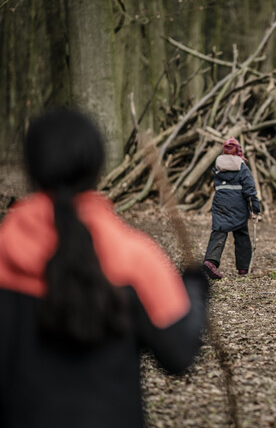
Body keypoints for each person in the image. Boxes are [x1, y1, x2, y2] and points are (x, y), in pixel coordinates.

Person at [0, 107, 208, 427]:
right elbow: (179, 354)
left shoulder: (5, 250)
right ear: (97, 166)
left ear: (30, 168)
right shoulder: (137, 257)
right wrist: (195, 290)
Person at [203, 137, 261, 279]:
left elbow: (216, 185)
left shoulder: (217, 167)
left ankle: (210, 261)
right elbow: (250, 189)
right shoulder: (242, 166)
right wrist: (256, 208)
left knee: (219, 231)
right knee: (241, 233)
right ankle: (244, 267)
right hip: (238, 204)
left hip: (220, 202)